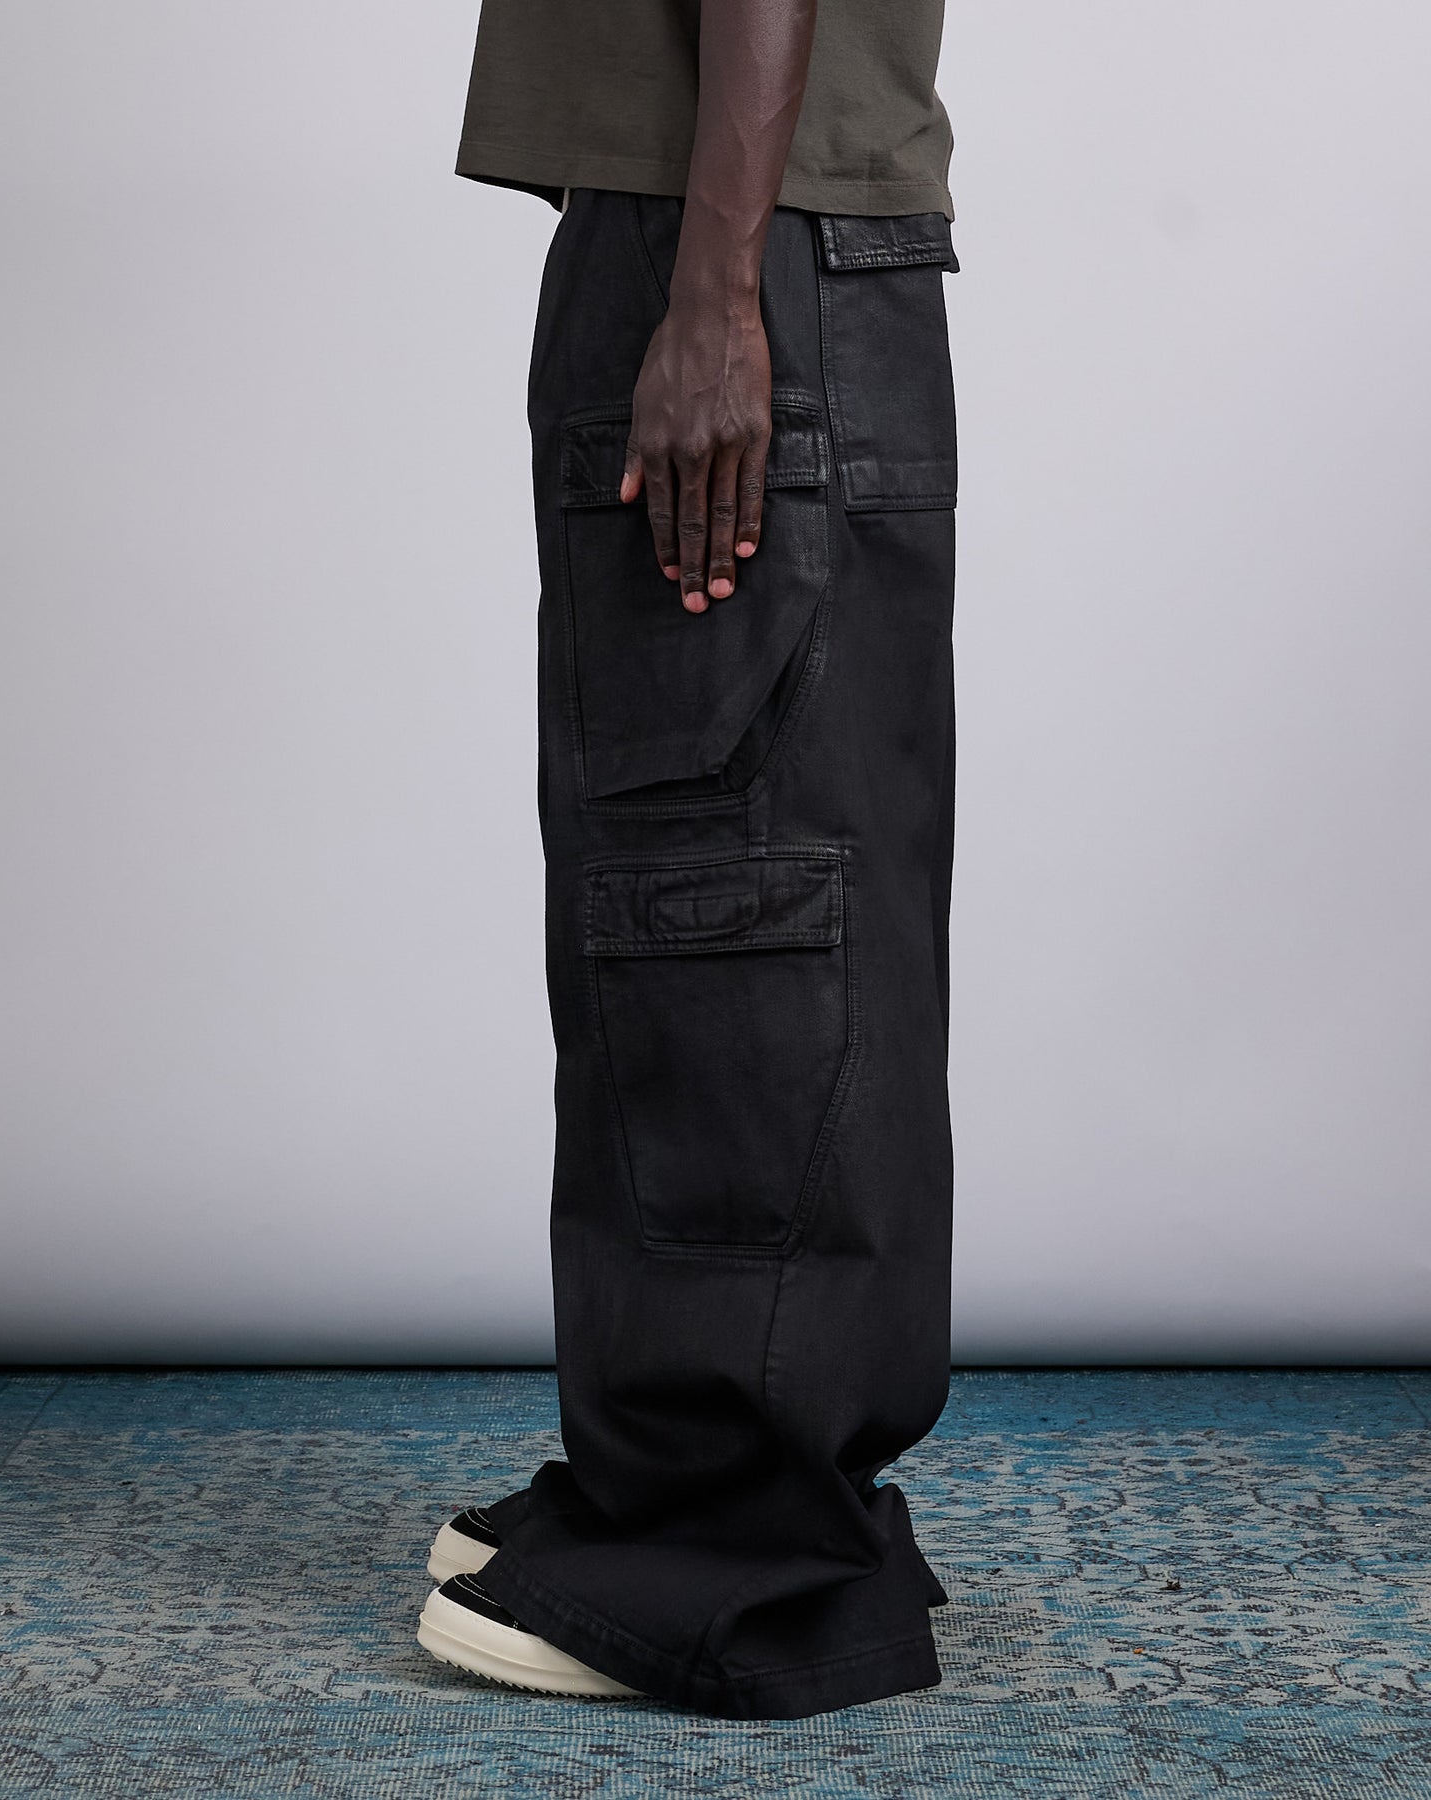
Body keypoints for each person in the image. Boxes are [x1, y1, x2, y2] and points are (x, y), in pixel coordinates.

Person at [416, 0, 961, 1720]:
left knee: (734, 911)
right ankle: (680, 1487)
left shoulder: (732, 263)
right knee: (709, 889)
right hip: (733, 225)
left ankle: (741, 1550)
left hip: (735, 236)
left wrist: (717, 288)